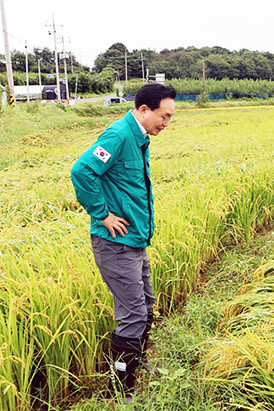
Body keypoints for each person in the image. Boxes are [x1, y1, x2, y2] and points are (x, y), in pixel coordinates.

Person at [71, 83, 176, 402]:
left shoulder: (140, 138)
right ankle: (121, 391)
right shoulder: (119, 135)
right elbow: (82, 170)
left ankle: (135, 369)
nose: (166, 123)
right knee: (132, 314)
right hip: (115, 244)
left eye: (171, 117)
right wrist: (102, 215)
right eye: (164, 116)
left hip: (133, 241)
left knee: (145, 305)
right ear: (144, 110)